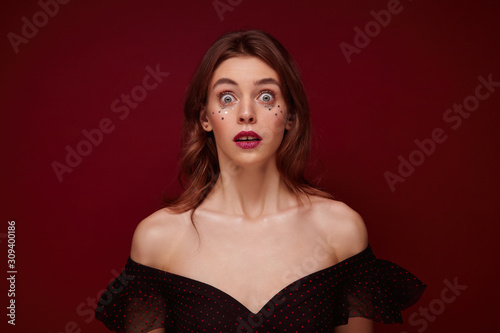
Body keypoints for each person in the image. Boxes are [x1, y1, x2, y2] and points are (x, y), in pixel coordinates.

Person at [95, 30, 426, 333]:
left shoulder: (340, 229)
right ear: (204, 117)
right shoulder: (158, 240)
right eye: (227, 97)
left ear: (290, 116)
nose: (246, 113)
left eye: (266, 96)